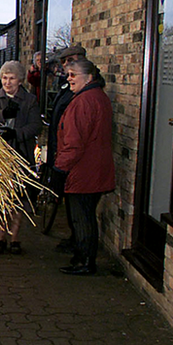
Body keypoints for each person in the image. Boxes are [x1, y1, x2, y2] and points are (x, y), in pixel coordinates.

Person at [54, 58, 115, 275]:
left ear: (88, 78)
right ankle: (83, 257)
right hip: (94, 169)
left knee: (81, 218)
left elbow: (74, 143)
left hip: (83, 172)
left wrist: (60, 169)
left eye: (73, 74)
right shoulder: (98, 97)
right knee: (86, 215)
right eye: (67, 74)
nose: (69, 78)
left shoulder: (83, 101)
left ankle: (85, 261)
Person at [0, 60, 41, 255]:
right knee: (1, 198)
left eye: (12, 78)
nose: (7, 82)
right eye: (5, 78)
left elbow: (35, 126)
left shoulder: (30, 101)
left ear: (20, 80)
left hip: (21, 154)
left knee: (18, 198)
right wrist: (1, 115)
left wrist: (16, 133)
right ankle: (0, 238)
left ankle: (14, 238)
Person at [47, 45, 87, 253]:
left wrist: (61, 166)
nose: (66, 66)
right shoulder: (66, 87)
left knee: (80, 213)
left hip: (74, 161)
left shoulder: (84, 93)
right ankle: (75, 241)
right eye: (64, 62)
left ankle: (83, 254)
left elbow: (76, 135)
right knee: (72, 209)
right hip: (62, 152)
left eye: (71, 60)